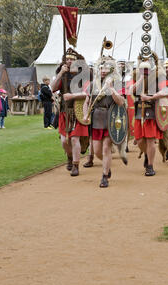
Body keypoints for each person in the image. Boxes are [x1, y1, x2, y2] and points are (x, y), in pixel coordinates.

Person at [83, 55, 125, 188]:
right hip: (96, 119)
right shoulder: (93, 85)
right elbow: (87, 102)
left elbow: (121, 102)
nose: (103, 70)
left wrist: (111, 88)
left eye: (106, 68)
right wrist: (85, 115)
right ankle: (107, 166)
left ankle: (104, 175)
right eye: (101, 68)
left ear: (111, 70)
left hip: (110, 119)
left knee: (106, 148)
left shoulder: (116, 83)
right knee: (96, 151)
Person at [51, 48, 89, 177]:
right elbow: (53, 88)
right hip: (64, 112)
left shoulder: (83, 74)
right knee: (63, 141)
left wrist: (72, 96)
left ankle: (76, 165)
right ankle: (69, 156)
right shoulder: (63, 74)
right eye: (67, 59)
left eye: (72, 59)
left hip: (78, 110)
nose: (69, 61)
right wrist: (61, 73)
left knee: (74, 140)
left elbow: (88, 93)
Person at [131, 53, 168, 177]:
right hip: (139, 110)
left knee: (150, 140)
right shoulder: (136, 74)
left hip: (152, 110)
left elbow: (165, 91)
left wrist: (151, 97)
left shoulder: (159, 74)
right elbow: (131, 90)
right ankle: (146, 154)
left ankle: (150, 166)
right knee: (140, 140)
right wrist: (141, 78)